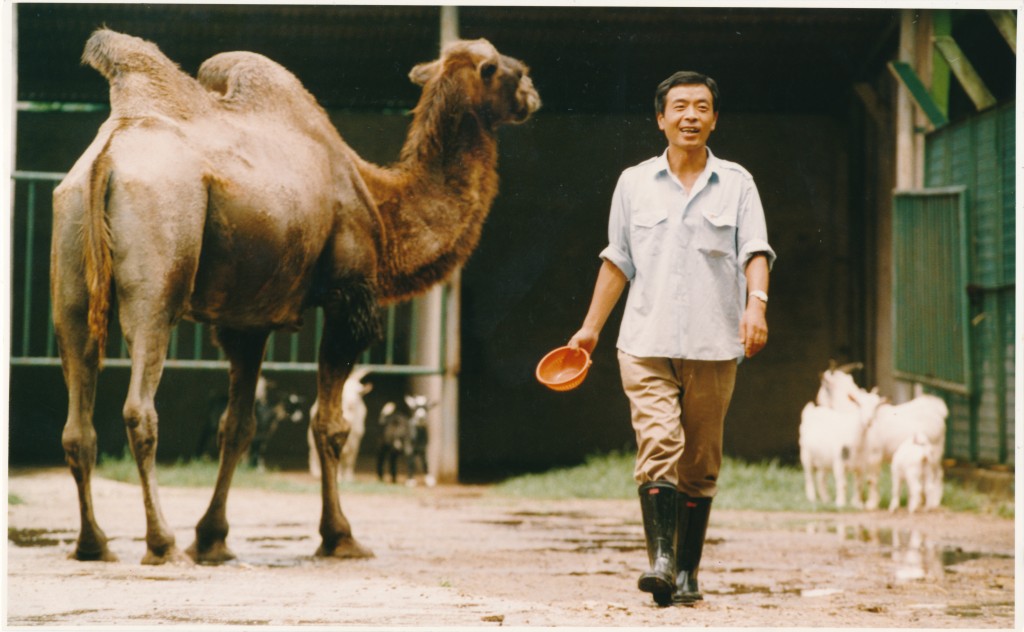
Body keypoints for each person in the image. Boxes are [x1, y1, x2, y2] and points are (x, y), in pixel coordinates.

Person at [568, 70, 775, 606]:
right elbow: (618, 259)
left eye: (701, 107)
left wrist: (757, 306)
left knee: (700, 462)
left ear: (714, 118)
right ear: (660, 118)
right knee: (659, 444)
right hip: (645, 339)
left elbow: (755, 249)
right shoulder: (633, 182)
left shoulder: (737, 182)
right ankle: (659, 561)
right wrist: (590, 330)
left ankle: (686, 571)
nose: (690, 116)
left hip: (713, 342)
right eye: (679, 106)